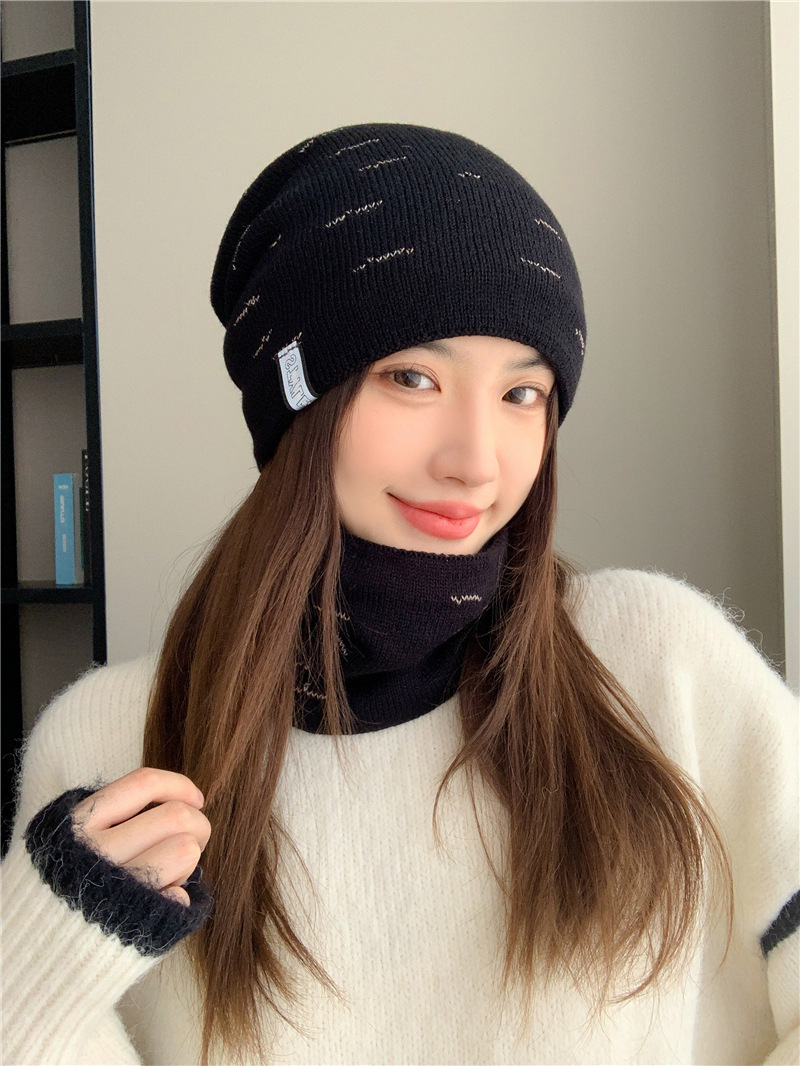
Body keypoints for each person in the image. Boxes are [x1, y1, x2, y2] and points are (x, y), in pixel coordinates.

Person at [1, 122, 797, 1066]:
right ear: (298, 397)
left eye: (523, 394)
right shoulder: (109, 748)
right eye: (412, 378)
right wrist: (41, 950)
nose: (475, 461)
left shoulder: (660, 664)